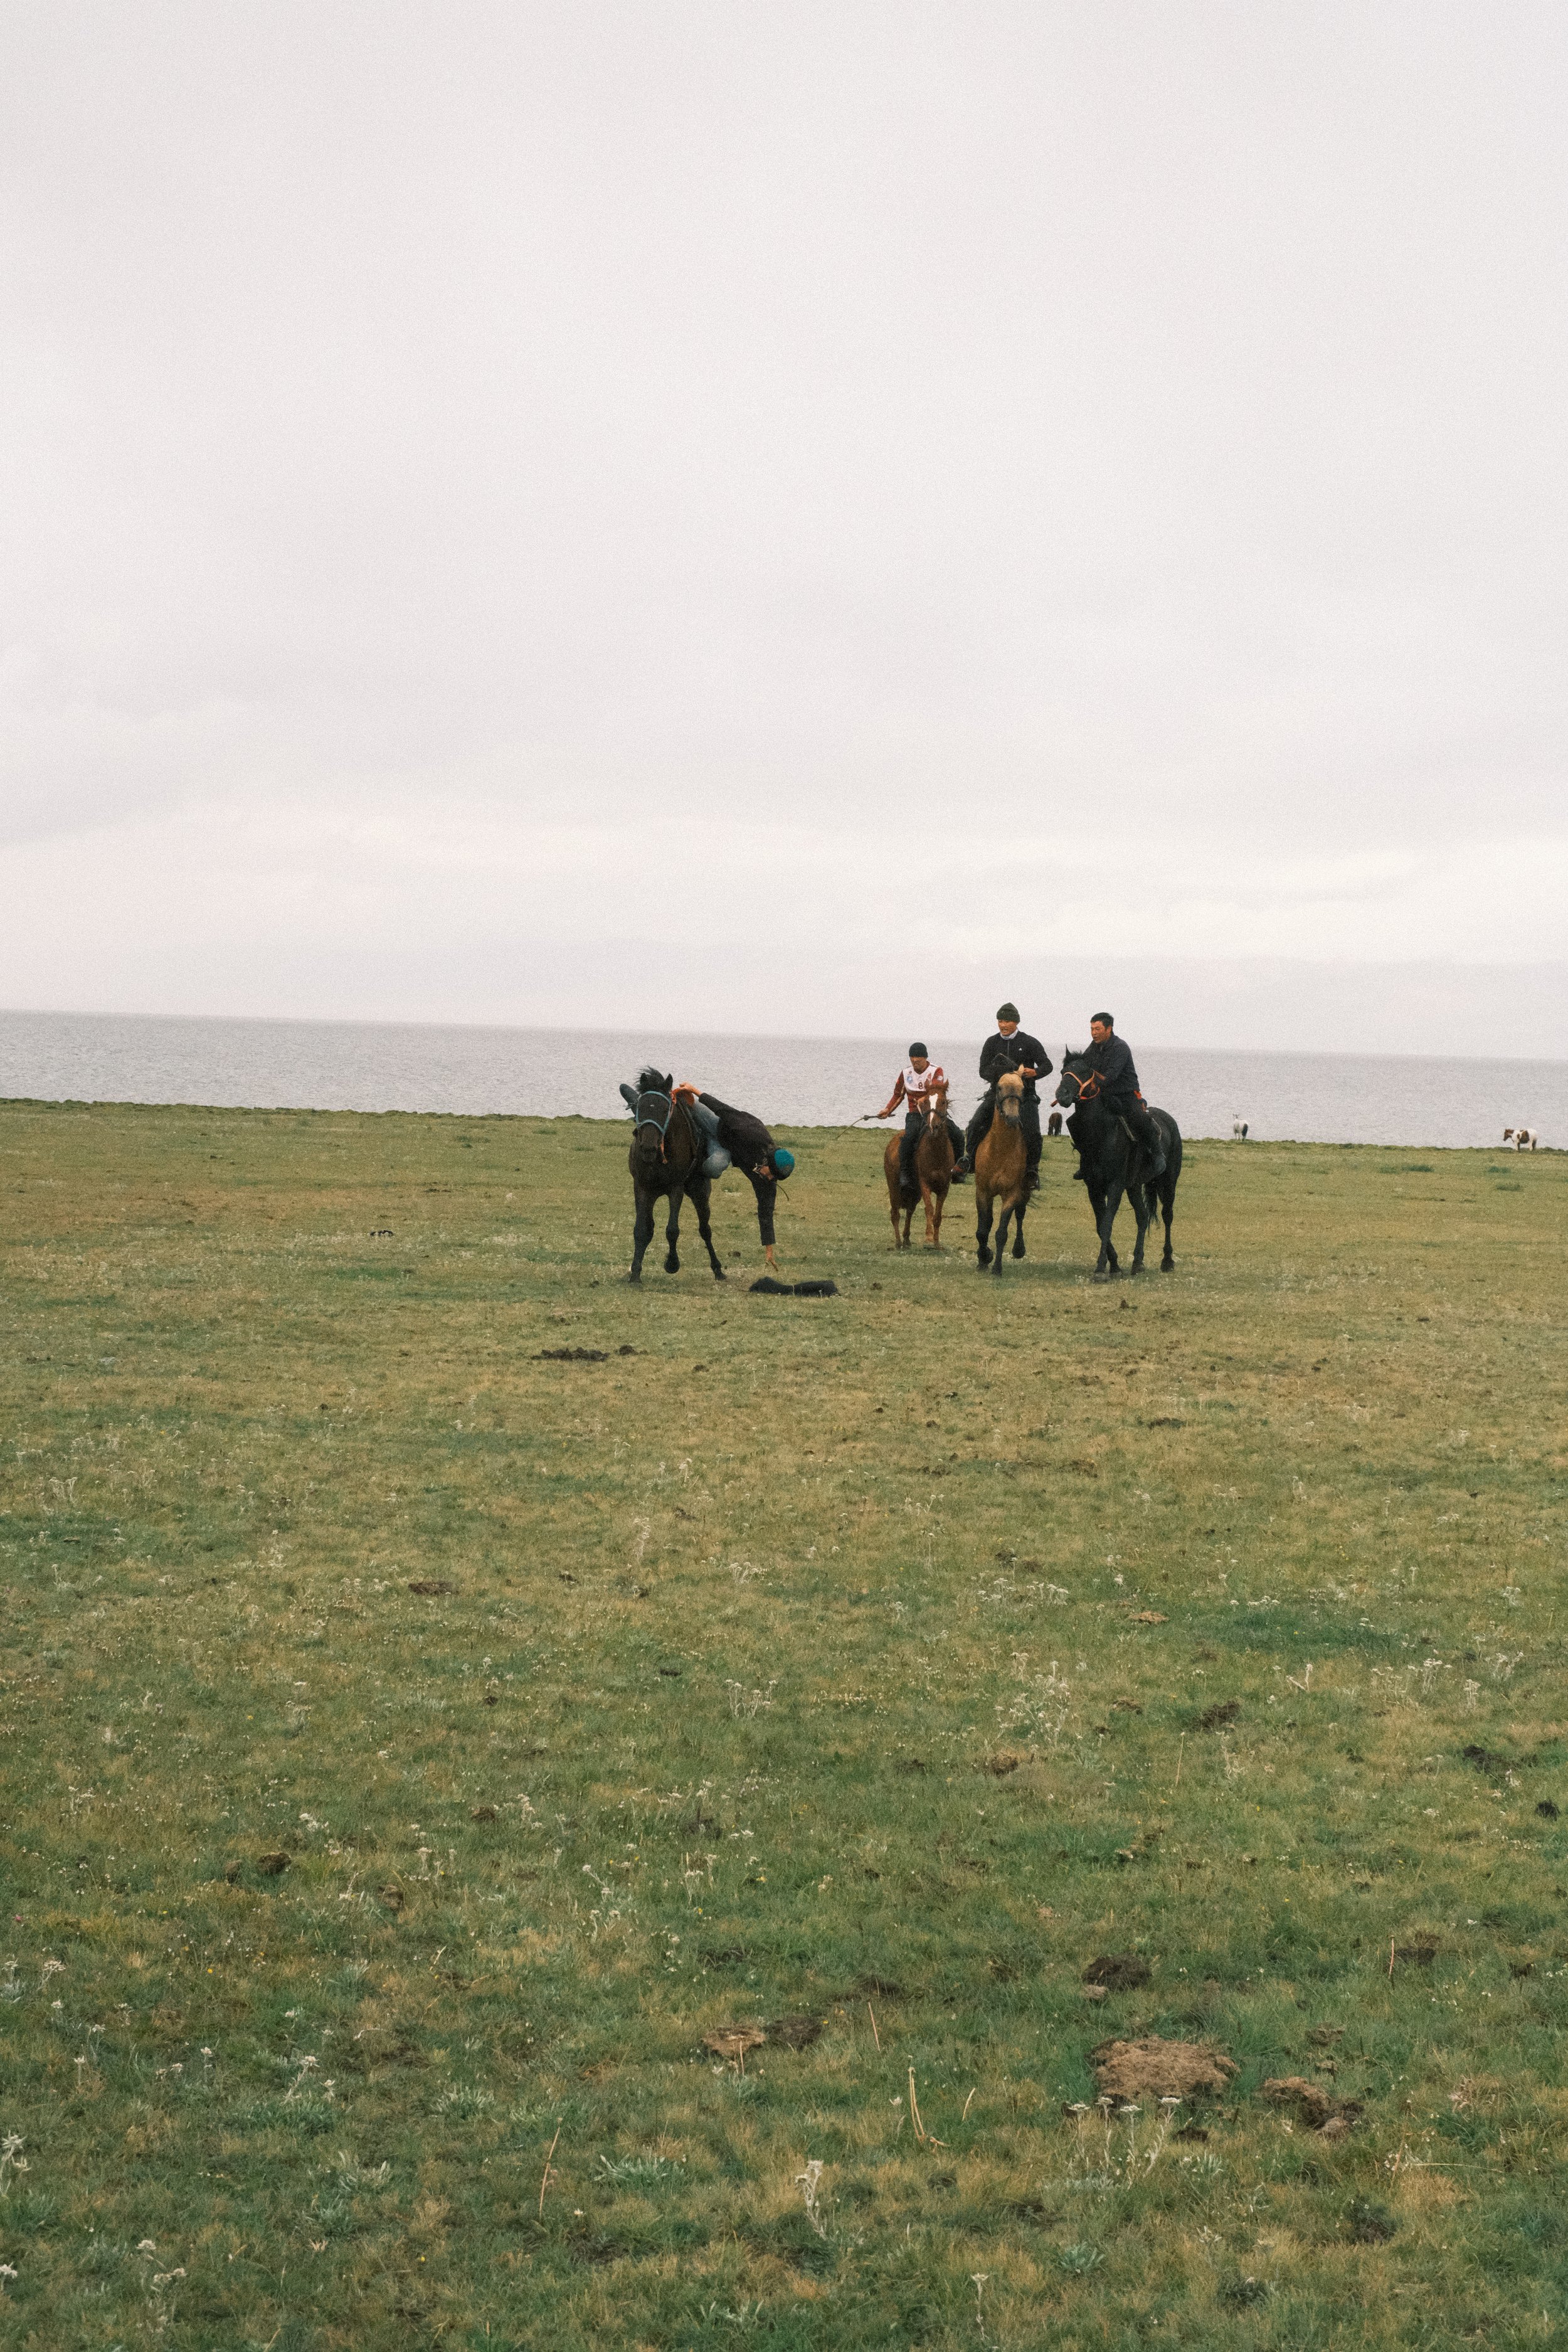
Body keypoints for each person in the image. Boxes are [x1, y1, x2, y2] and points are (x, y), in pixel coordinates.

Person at [672, 1082, 795, 1268]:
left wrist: (769, 1250)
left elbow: (766, 1212)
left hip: (723, 1147)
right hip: (718, 1125)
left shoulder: (767, 1179)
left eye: (774, 1179)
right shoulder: (752, 1133)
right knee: (684, 1102)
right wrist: (694, 1091)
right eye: (771, 1175)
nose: (770, 1180)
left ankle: (695, 1171)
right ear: (767, 1161)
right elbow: (724, 1110)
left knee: (715, 1167)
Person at [960, 1004, 1052, 1190]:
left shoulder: (1030, 1042)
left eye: (1007, 1021)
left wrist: (1034, 1073)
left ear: (1016, 1022)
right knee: (976, 1122)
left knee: (1034, 1132)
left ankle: (1032, 1171)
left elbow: (1047, 1066)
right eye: (1000, 1020)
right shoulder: (991, 1042)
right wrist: (1007, 1072)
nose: (1003, 1024)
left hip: (1024, 1096)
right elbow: (983, 1071)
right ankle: (968, 1159)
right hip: (997, 1095)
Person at [871, 1044, 968, 1193]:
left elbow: (936, 1089)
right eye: (913, 1058)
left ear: (925, 1058)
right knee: (908, 1139)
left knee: (957, 1135)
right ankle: (905, 1173)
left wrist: (924, 1099)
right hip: (915, 1115)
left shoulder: (936, 1071)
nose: (915, 1061)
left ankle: (958, 1171)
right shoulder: (906, 1073)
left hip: (934, 1112)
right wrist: (887, 1109)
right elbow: (899, 1094)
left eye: (919, 1058)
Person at [1083, 1012, 1166, 1175]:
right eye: (1092, 1029)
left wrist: (1090, 1073)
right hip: (1104, 1095)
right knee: (1078, 1119)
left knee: (1140, 1118)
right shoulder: (1093, 1047)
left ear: (1109, 1029)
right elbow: (1083, 1064)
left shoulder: (1120, 1047)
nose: (1094, 1033)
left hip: (1126, 1094)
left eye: (1098, 1029)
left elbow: (1109, 1078)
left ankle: (1158, 1155)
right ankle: (1086, 1163)